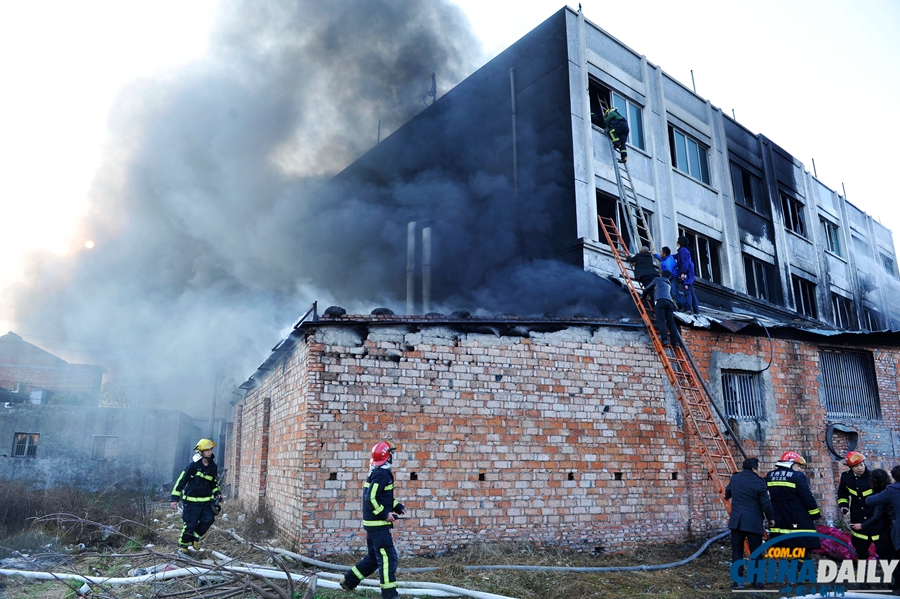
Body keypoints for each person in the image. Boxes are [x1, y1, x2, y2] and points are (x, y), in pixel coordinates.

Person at [341, 441, 407, 598]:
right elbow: (370, 498)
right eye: (390, 453)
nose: (392, 456)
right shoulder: (381, 474)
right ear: (387, 456)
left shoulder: (377, 472)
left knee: (373, 557)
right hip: (378, 526)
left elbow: (383, 497)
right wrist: (385, 514)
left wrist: (397, 507)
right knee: (388, 558)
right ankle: (389, 594)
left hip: (373, 525)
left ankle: (349, 581)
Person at [725, 458, 774, 589]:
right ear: (754, 469)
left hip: (736, 522)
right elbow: (766, 503)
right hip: (753, 522)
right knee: (756, 552)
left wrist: (728, 496)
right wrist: (771, 519)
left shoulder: (735, 478)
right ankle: (757, 582)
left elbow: (728, 492)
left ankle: (738, 582)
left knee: (737, 551)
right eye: (759, 468)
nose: (760, 470)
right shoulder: (759, 482)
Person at [170, 438, 224, 554]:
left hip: (206, 502)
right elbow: (181, 481)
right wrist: (174, 499)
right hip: (191, 502)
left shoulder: (212, 466)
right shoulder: (193, 466)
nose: (210, 452)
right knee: (190, 523)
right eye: (207, 450)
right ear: (201, 451)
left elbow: (213, 482)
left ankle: (195, 537)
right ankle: (183, 546)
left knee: (208, 519)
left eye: (211, 449)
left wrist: (217, 493)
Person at [766, 450, 821, 554]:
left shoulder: (770, 475)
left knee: (785, 545)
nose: (799, 469)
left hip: (779, 517)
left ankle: (792, 566)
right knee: (803, 545)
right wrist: (815, 514)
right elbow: (807, 497)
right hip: (797, 515)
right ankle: (803, 567)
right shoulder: (797, 476)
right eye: (798, 465)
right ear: (790, 462)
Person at [837, 451, 877, 560]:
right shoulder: (846, 477)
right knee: (860, 545)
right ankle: (862, 570)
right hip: (857, 515)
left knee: (883, 546)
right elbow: (842, 493)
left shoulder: (873, 476)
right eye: (855, 466)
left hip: (874, 515)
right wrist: (843, 505)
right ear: (850, 467)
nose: (859, 468)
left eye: (861, 465)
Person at [867, 466, 900, 593]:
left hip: (892, 529)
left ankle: (897, 581)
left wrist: (862, 525)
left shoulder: (890, 491)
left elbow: (872, 504)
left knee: (889, 556)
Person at [855, 468, 894, 561]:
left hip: (887, 528)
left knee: (886, 555)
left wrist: (862, 525)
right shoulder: (893, 489)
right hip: (894, 525)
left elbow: (877, 515)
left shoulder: (880, 495)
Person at [642, 270, 679, 345]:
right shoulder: (669, 283)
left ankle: (665, 340)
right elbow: (672, 295)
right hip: (669, 302)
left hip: (660, 300)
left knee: (661, 320)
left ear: (661, 274)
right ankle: (675, 342)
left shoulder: (657, 279)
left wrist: (643, 297)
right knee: (671, 322)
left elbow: (646, 289)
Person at [654, 246, 688, 311]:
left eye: (661, 252)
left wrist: (662, 279)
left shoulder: (668, 263)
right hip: (671, 278)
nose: (660, 253)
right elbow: (661, 259)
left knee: (674, 293)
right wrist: (655, 255)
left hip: (673, 278)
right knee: (672, 293)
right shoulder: (667, 258)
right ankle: (679, 305)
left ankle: (686, 306)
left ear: (664, 254)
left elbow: (668, 273)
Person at [675, 236, 700, 315]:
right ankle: (696, 310)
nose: (676, 241)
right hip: (690, 274)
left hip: (687, 275)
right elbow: (677, 256)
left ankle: (688, 309)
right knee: (691, 292)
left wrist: (683, 273)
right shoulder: (683, 250)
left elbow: (685, 263)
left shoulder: (682, 250)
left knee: (687, 291)